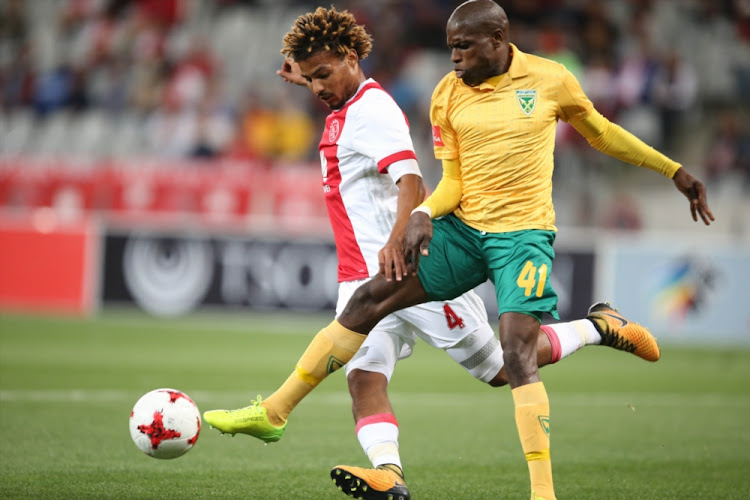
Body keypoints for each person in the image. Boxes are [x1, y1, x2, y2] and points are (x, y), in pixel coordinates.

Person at [203, 5, 677, 500]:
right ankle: (384, 471)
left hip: (403, 262)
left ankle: (598, 327)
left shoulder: (374, 109)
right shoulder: (346, 106)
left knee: (501, 366)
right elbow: (338, 97)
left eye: (324, 74)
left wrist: (399, 236)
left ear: (349, 59)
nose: (318, 86)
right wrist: (309, 79)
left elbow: (412, 177)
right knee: (364, 376)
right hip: (363, 275)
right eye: (311, 78)